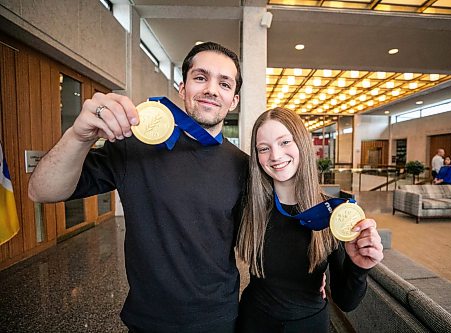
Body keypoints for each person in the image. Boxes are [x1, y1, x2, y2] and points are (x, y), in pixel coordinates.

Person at [28, 42, 248, 332]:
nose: (211, 89)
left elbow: (266, 237)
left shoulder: (244, 166)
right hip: (148, 318)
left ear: (233, 100)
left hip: (218, 317)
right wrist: (78, 136)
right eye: (200, 77)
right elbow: (42, 191)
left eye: (224, 83)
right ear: (182, 88)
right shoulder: (136, 147)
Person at [236, 107, 383, 332]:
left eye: (285, 142)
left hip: (310, 325)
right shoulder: (248, 208)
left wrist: (358, 268)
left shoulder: (333, 213)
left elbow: (346, 302)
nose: (275, 155)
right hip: (254, 322)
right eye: (264, 148)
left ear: (302, 144)